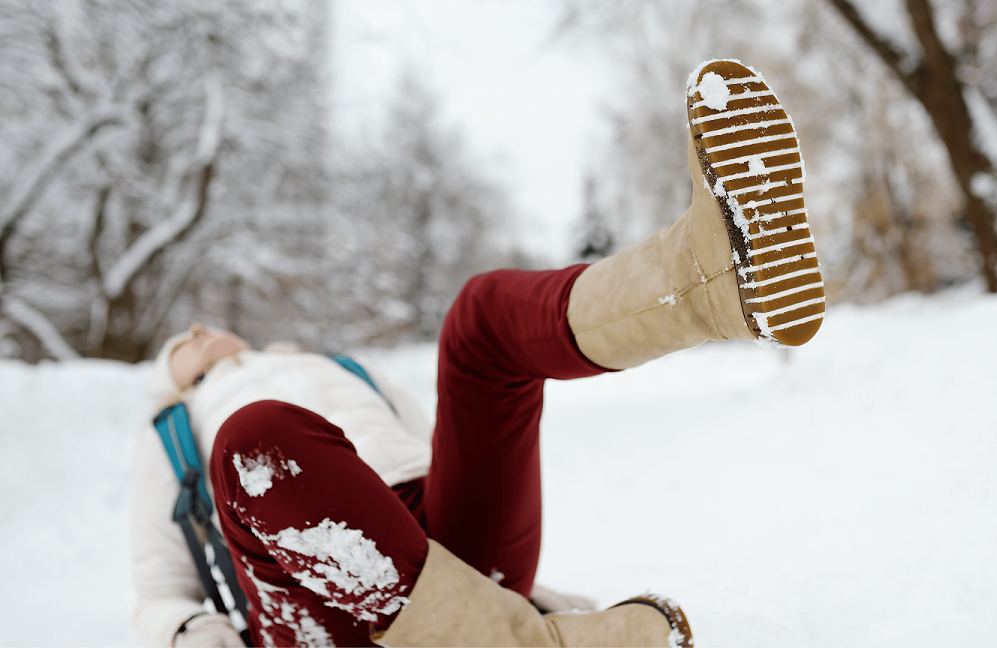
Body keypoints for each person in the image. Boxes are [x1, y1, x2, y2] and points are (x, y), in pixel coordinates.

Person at [131, 59, 824, 648]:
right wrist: (189, 634)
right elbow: (159, 591)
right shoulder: (172, 431)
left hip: (442, 555)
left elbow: (443, 453)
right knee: (254, 441)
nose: (194, 333)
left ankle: (710, 280)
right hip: (320, 599)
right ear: (177, 380)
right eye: (180, 348)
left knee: (478, 319)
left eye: (199, 330)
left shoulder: (342, 368)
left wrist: (520, 601)